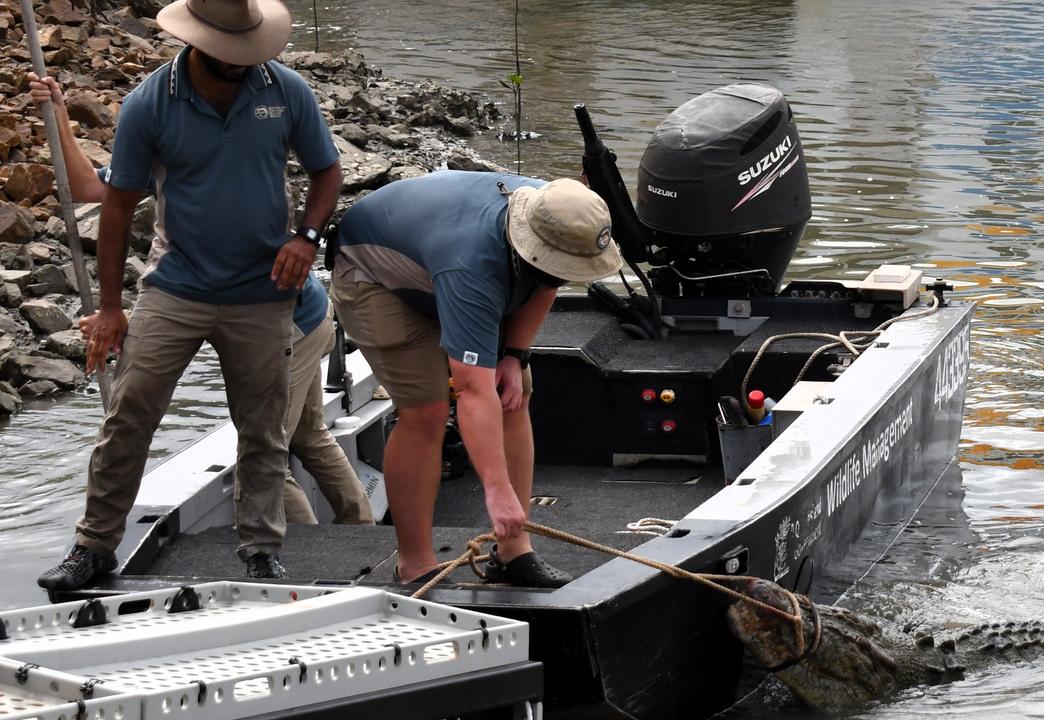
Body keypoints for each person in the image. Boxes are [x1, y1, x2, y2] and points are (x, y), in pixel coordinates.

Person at [37, 0, 343, 591]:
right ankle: (95, 544)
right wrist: (109, 307)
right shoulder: (151, 101)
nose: (247, 66)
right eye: (234, 58)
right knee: (130, 412)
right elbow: (117, 207)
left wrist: (306, 238)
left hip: (263, 290)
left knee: (262, 427)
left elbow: (326, 171)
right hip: (176, 285)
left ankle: (260, 549)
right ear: (201, 47)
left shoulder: (285, 90)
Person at [330, 170, 621, 587]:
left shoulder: (560, 215)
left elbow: (548, 277)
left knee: (513, 391)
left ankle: (514, 551)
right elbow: (470, 389)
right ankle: (415, 564)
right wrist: (497, 491)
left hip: (448, 259)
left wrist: (516, 355)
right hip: (376, 279)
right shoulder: (472, 263)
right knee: (427, 409)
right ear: (525, 240)